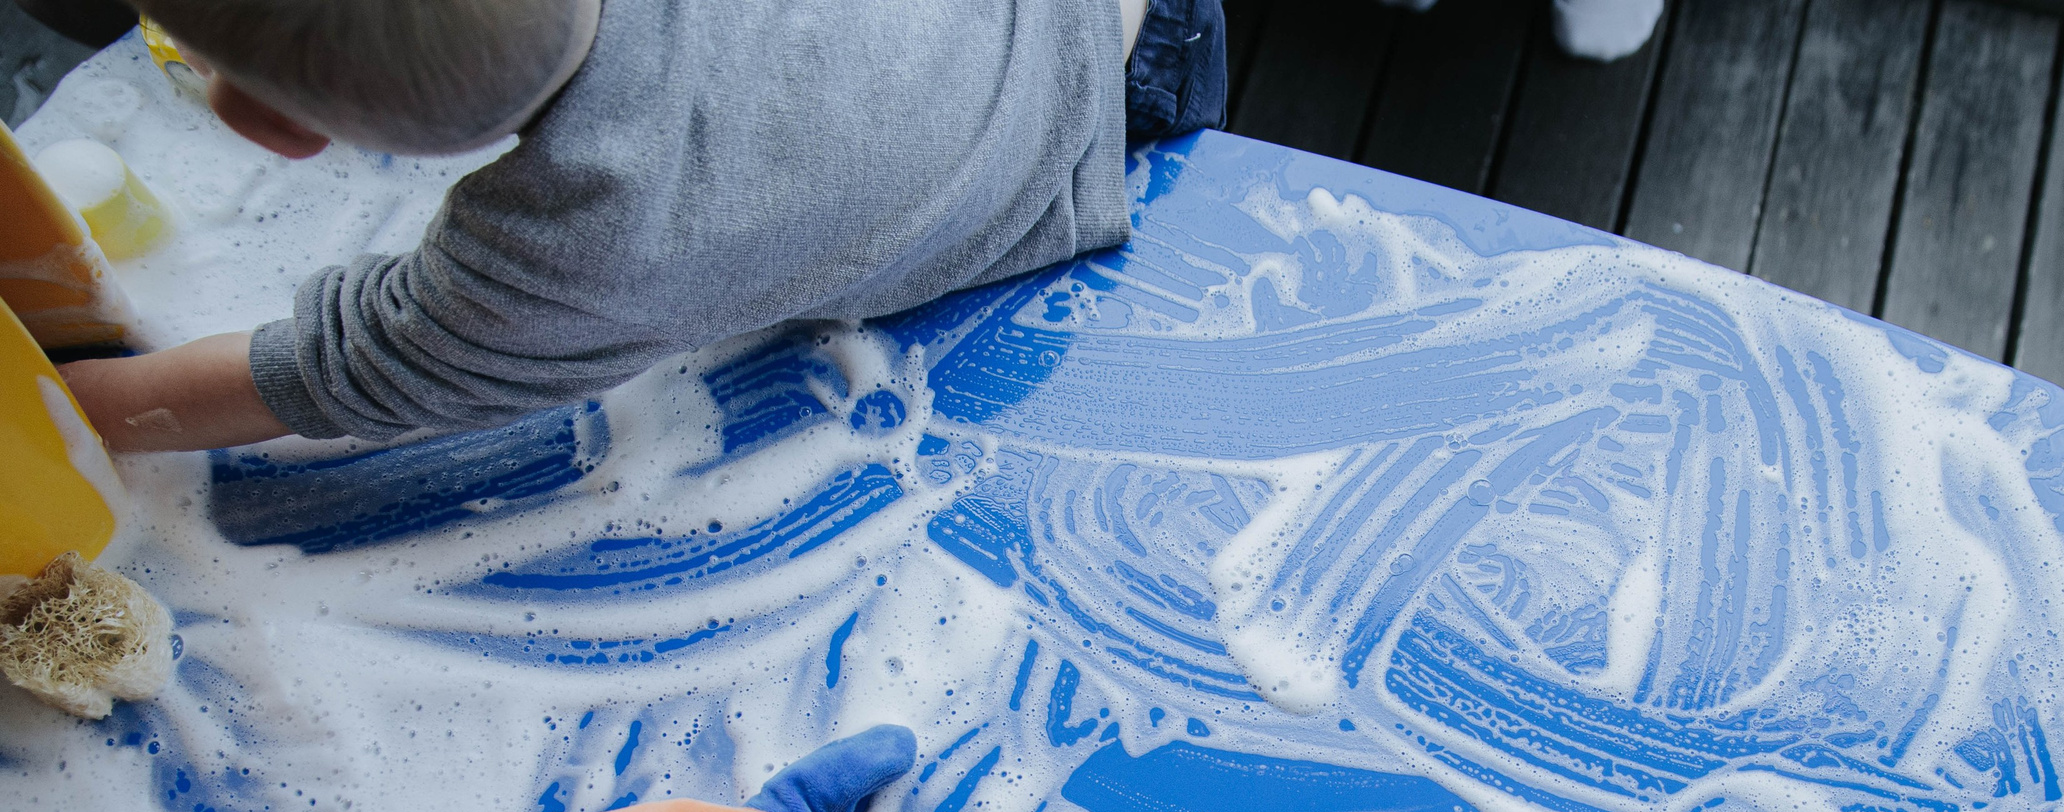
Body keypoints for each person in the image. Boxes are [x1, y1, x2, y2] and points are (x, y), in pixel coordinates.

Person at [58, 0, 1225, 452]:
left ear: (269, 125)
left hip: (1098, 122)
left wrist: (64, 418)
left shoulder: (567, 251)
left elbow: (329, 375)